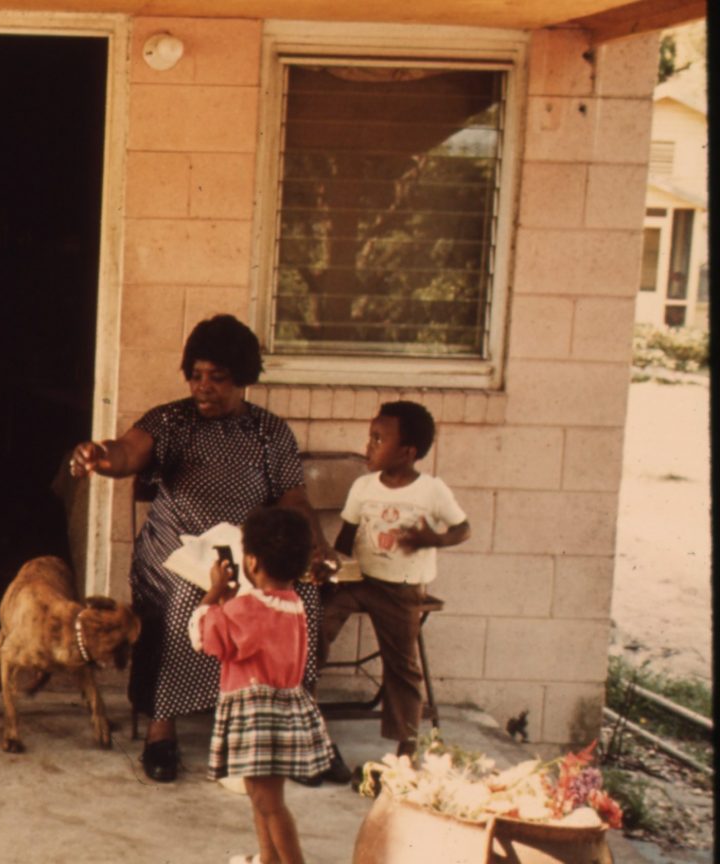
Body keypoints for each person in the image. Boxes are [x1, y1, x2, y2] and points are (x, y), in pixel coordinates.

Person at [68, 315, 331, 783]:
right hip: (179, 546)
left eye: (218, 378)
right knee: (189, 599)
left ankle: (297, 733)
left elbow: (294, 498)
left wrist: (316, 547)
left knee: (301, 597)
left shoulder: (270, 432)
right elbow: (126, 452)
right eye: (196, 376)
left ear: (243, 379)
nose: (204, 388)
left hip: (246, 550)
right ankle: (161, 731)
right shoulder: (171, 421)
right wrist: (99, 456)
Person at [321, 400, 470, 765]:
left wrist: (433, 540)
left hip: (401, 590)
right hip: (358, 581)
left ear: (407, 452)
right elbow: (347, 534)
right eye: (370, 437)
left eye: (378, 439)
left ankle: (406, 743)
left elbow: (462, 528)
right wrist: (333, 570)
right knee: (316, 626)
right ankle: (304, 711)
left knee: (402, 664)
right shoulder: (363, 486)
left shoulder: (431, 490)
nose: (369, 446)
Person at [191, 506, 334, 864]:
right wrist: (229, 602)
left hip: (258, 717)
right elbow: (244, 637)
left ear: (251, 563)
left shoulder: (248, 609)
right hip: (280, 712)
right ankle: (268, 859)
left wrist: (213, 592)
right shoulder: (293, 603)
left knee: (270, 804)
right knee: (260, 796)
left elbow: (208, 637)